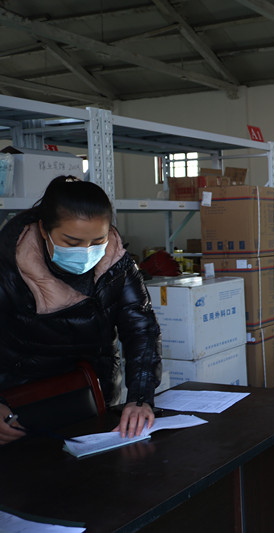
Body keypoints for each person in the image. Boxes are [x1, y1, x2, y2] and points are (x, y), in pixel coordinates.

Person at [0, 176, 162, 445]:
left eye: (98, 241)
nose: (86, 252)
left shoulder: (116, 264)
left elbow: (141, 328)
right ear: (43, 230)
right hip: (19, 402)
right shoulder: (9, 265)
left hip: (94, 393)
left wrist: (140, 398)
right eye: (72, 242)